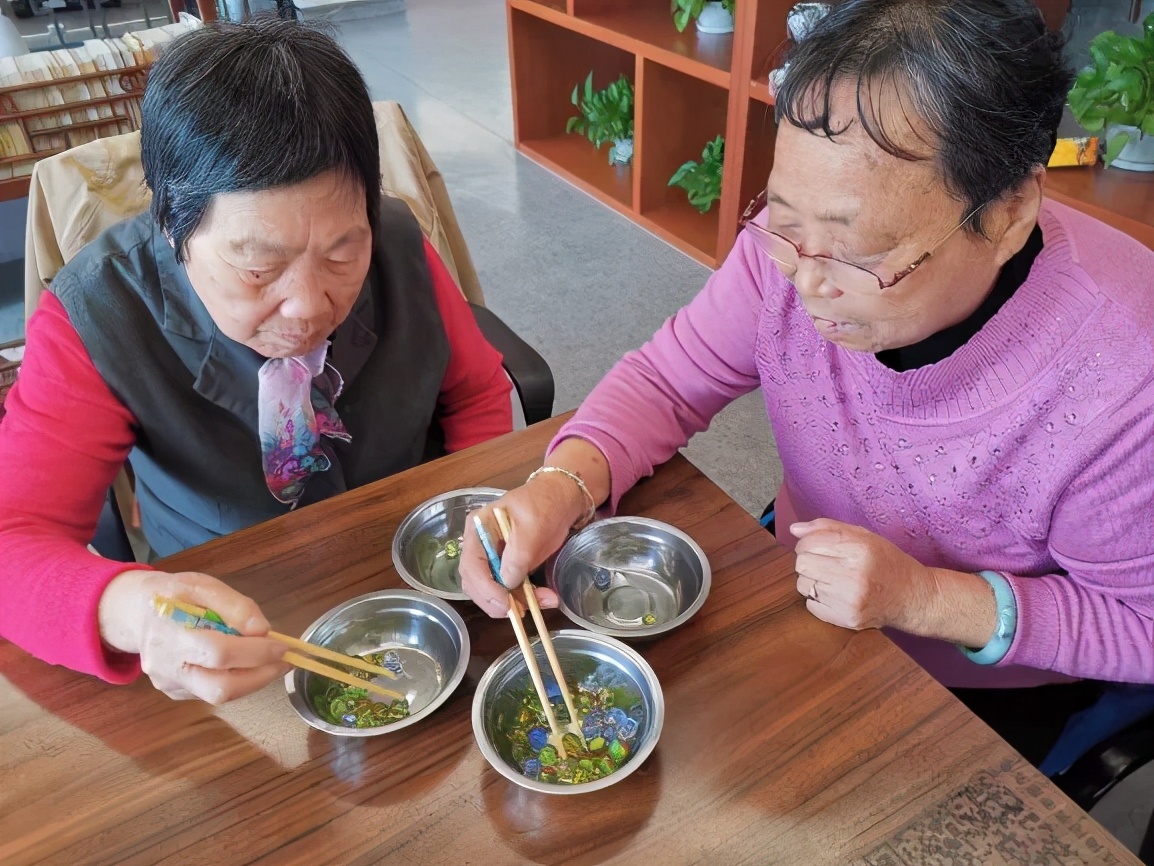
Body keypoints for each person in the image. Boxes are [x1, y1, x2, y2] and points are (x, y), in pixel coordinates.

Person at [461, 0, 1154, 762]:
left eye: (858, 252)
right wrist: (561, 487)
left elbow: (1142, 626)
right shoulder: (791, 251)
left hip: (977, 690)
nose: (806, 280)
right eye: (786, 222)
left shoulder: (1122, 381)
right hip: (798, 587)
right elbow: (668, 381)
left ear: (1008, 213)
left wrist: (926, 599)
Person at [0, 18, 513, 704]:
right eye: (257, 268)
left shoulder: (393, 240)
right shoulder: (98, 313)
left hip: (421, 602)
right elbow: (13, 539)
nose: (307, 306)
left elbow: (476, 391)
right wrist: (136, 612)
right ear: (171, 229)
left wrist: (476, 525)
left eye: (341, 254)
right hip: (233, 635)